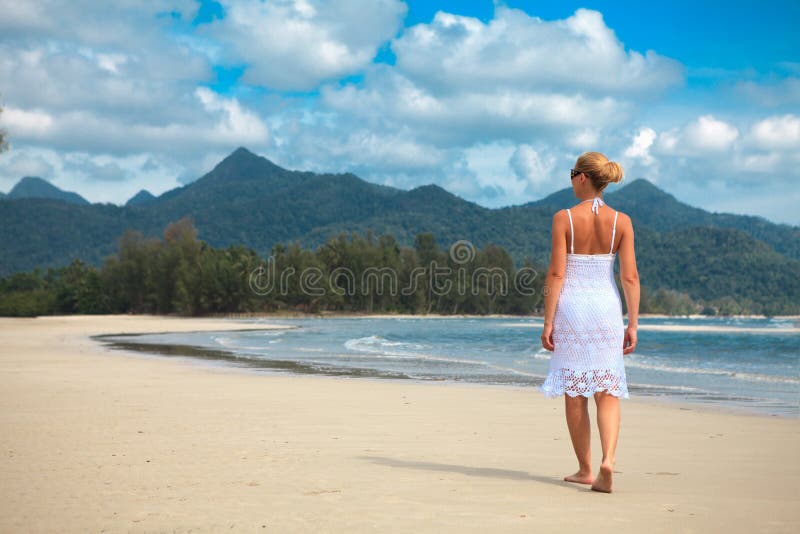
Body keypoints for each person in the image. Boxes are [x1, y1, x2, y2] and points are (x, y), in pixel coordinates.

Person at [538, 151, 640, 494]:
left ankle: (585, 469)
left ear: (582, 177)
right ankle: (607, 460)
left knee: (575, 392)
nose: (570, 179)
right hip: (606, 308)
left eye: (572, 173)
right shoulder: (621, 221)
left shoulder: (563, 218)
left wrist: (548, 321)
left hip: (572, 308)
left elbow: (556, 273)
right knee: (607, 389)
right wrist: (633, 324)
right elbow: (630, 277)